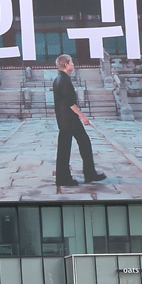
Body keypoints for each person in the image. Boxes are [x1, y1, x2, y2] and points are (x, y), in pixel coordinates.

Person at [51, 55, 107, 188]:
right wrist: (83, 116)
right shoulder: (64, 80)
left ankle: (81, 175)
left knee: (72, 146)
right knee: (82, 144)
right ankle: (82, 175)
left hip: (64, 119)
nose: (73, 64)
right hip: (69, 119)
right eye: (71, 62)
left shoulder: (58, 79)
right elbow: (70, 103)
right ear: (66, 64)